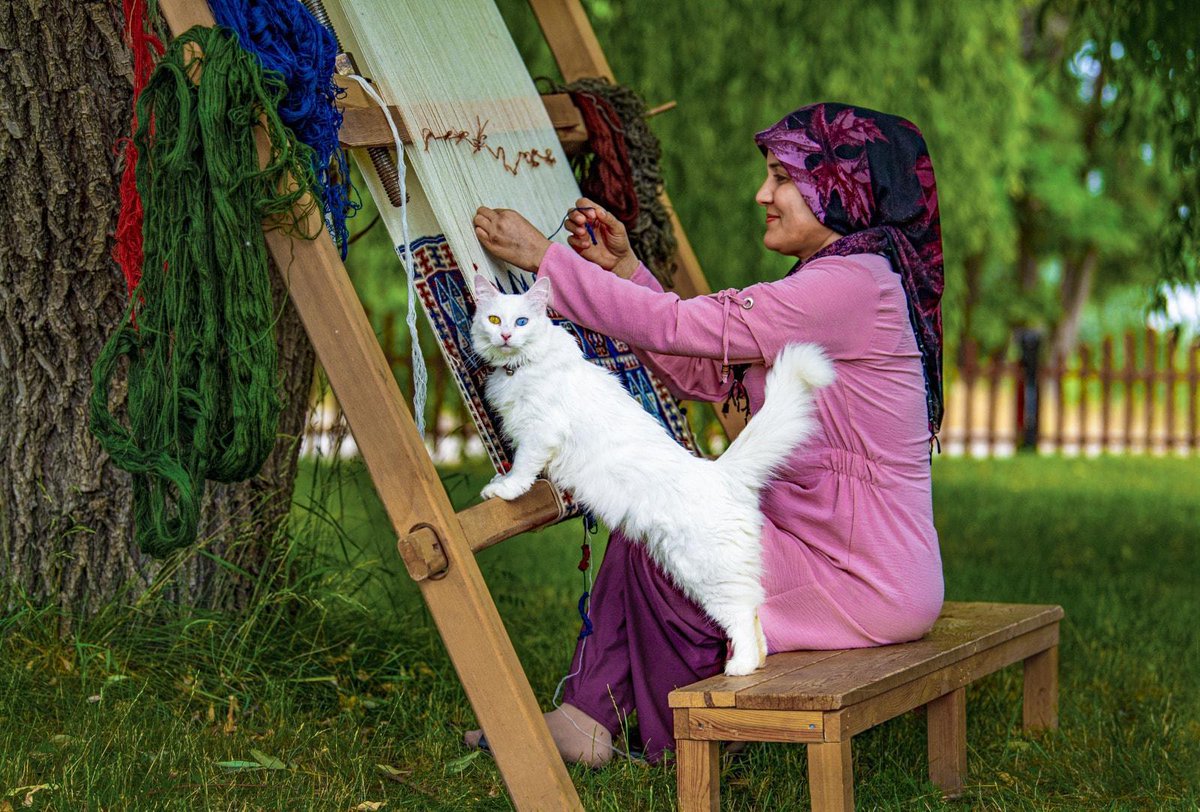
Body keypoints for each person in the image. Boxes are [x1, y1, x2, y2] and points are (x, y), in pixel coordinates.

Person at [466, 102, 945, 767]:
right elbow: (707, 372)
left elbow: (677, 328)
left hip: (861, 577)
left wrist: (546, 263)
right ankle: (587, 719)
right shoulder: (839, 281)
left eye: (784, 177)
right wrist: (623, 270)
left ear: (842, 187)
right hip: (832, 552)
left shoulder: (852, 287)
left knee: (675, 550)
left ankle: (694, 752)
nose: (763, 194)